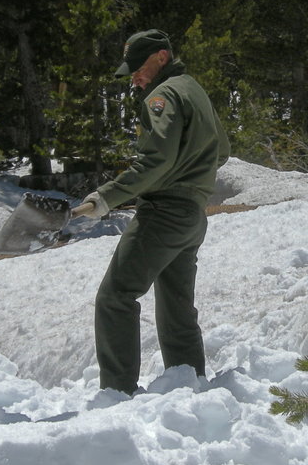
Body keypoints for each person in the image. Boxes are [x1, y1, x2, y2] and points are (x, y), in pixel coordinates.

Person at [80, 29, 230, 394]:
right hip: (193, 217)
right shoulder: (193, 88)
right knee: (177, 309)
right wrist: (191, 172)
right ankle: (188, 388)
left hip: (163, 213)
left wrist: (105, 198)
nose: (134, 76)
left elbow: (156, 160)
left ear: (161, 57)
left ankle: (117, 394)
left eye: (138, 66)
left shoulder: (162, 95)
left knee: (115, 297)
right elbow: (222, 150)